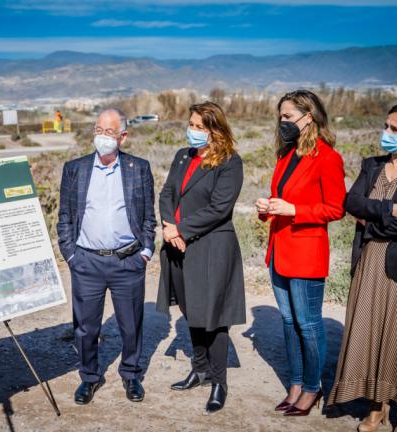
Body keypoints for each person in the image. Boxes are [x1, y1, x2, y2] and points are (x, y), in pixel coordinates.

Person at [327, 101, 397, 432]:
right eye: (386, 126)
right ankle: (376, 409)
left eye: (395, 129)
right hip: (370, 265)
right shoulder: (372, 165)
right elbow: (352, 202)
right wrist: (391, 209)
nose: (386, 133)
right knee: (373, 338)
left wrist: (371, 220)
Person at [255, 90, 346, 416]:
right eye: (280, 117)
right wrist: (266, 208)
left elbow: (336, 209)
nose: (283, 123)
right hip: (279, 252)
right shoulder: (286, 155)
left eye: (288, 117)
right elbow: (279, 198)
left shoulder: (328, 158)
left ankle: (312, 388)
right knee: (289, 323)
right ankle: (295, 384)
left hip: (306, 255)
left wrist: (295, 208)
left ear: (309, 117)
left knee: (308, 325)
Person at [57, 108, 156, 404]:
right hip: (86, 261)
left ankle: (131, 374)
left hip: (128, 261)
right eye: (98, 130)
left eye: (109, 132)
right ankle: (88, 377)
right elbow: (64, 216)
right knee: (86, 327)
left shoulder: (139, 168)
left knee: (131, 325)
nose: (102, 137)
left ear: (123, 137)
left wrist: (146, 251)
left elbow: (148, 215)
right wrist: (71, 255)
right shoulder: (75, 168)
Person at [157, 101, 245, 414]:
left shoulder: (230, 163)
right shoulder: (183, 155)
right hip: (177, 245)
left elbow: (220, 209)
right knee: (191, 310)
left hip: (210, 247)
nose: (192, 131)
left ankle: (219, 381)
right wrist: (170, 228)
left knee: (214, 316)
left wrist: (179, 229)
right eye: (191, 124)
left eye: (199, 126)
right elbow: (167, 193)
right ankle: (200, 368)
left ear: (215, 129)